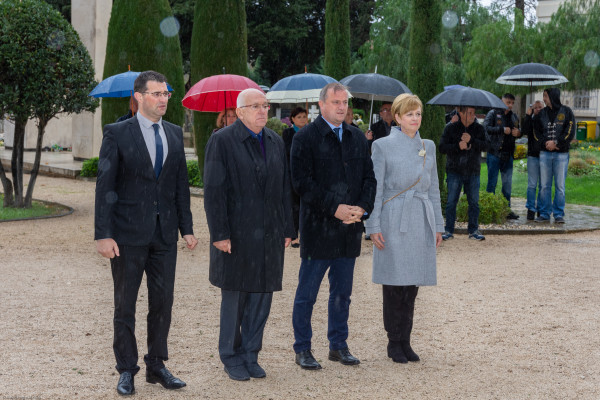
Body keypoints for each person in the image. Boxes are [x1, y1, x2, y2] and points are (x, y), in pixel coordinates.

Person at [95, 70, 198, 396]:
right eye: (157, 94)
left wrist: (187, 228)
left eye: (166, 94)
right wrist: (103, 234)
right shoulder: (116, 133)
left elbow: (180, 185)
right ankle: (126, 369)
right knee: (125, 305)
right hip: (126, 235)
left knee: (162, 303)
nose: (164, 99)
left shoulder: (172, 133)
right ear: (139, 97)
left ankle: (157, 365)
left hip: (164, 235)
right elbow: (104, 186)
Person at [203, 88, 295, 381]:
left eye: (265, 106)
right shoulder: (222, 141)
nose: (262, 111)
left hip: (269, 233)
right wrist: (219, 233)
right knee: (236, 297)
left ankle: (251, 353)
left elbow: (284, 188)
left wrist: (287, 228)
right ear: (239, 112)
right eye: (254, 106)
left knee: (262, 296)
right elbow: (214, 191)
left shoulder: (275, 141)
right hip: (237, 233)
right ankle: (231, 356)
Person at [290, 82, 376, 370]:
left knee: (342, 294)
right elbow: (302, 183)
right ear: (322, 104)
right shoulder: (305, 138)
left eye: (345, 102)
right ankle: (302, 348)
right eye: (336, 102)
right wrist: (335, 208)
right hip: (318, 230)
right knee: (307, 294)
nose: (342, 107)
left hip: (349, 229)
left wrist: (362, 209)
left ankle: (338, 346)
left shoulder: (356, 137)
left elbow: (369, 179)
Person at [365, 94, 443, 363]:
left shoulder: (428, 146)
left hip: (421, 216)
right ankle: (393, 340)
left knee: (412, 283)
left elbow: (434, 189)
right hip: (394, 217)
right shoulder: (382, 146)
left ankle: (406, 339)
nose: (414, 118)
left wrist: (438, 226)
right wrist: (372, 224)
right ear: (397, 117)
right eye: (409, 114)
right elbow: (376, 188)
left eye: (418, 113)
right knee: (394, 283)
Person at [439, 106, 488, 241]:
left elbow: (486, 146)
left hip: (473, 171)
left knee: (474, 202)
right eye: (469, 113)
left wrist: (471, 140)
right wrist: (457, 146)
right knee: (451, 202)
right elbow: (442, 147)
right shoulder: (451, 128)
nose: (473, 115)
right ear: (461, 113)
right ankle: (448, 230)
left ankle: (473, 230)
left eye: (474, 113)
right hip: (455, 170)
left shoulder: (479, 128)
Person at [531, 88, 575, 223]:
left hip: (561, 155)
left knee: (560, 186)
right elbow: (536, 132)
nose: (544, 99)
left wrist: (556, 143)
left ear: (553, 96)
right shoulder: (541, 114)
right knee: (544, 185)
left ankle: (558, 214)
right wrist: (546, 144)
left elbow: (570, 131)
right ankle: (544, 213)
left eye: (545, 96)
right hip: (545, 154)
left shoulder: (567, 112)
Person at [483, 93, 522, 219]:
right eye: (508, 102)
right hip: (494, 153)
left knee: (507, 185)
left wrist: (518, 133)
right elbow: (486, 128)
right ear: (502, 101)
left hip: (508, 155)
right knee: (492, 183)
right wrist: (501, 129)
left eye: (512, 103)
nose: (510, 105)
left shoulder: (514, 116)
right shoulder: (493, 113)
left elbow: (518, 130)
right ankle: (489, 210)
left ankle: (506, 210)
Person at [282, 107, 308, 248]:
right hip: (292, 174)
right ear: (292, 119)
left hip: (306, 174)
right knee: (293, 206)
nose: (302, 119)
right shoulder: (288, 133)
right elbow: (287, 150)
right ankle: (294, 235)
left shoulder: (310, 132)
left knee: (306, 206)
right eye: (299, 117)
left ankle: (305, 234)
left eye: (304, 116)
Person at [522, 100, 545, 220]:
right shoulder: (530, 120)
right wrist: (528, 115)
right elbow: (524, 131)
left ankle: (541, 210)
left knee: (543, 185)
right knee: (532, 184)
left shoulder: (546, 119)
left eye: (540, 107)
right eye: (536, 108)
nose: (538, 109)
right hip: (532, 155)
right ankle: (531, 209)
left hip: (544, 155)